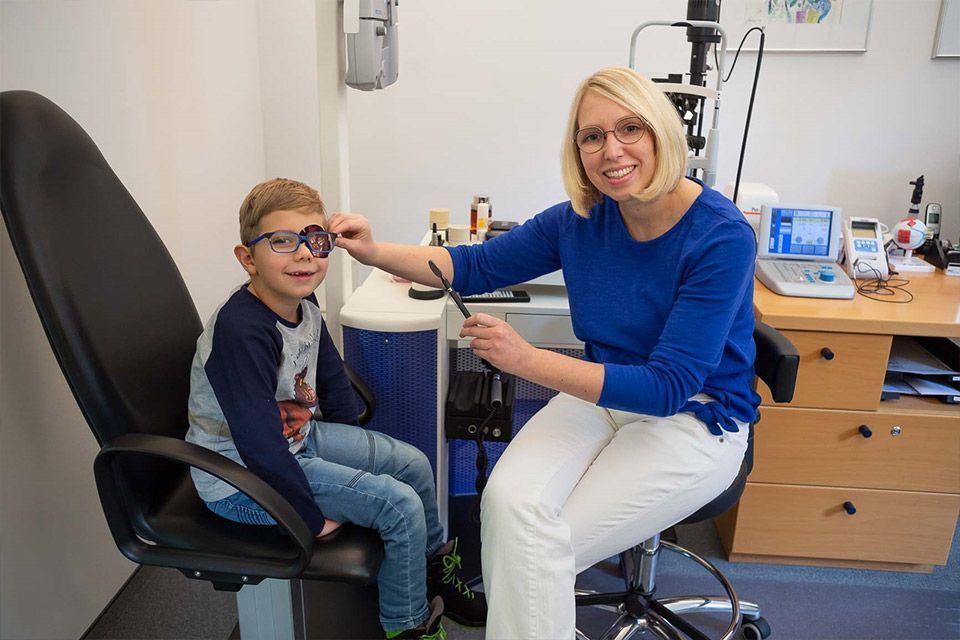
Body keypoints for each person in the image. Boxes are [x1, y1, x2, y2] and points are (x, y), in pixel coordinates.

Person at [329, 66, 760, 639]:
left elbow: (666, 387)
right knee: (506, 505)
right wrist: (373, 250)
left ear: (662, 132)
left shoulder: (721, 236)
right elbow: (473, 265)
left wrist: (526, 359)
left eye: (629, 129)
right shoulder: (581, 220)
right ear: (577, 149)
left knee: (536, 543)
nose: (612, 150)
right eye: (592, 136)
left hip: (695, 416)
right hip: (602, 395)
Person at [184, 178, 486, 640]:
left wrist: (356, 447)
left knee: (413, 463)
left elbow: (330, 375)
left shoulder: (302, 303)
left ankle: (432, 575)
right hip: (241, 476)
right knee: (399, 505)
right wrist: (306, 519)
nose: (305, 253)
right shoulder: (241, 332)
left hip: (293, 443)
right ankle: (407, 629)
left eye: (315, 240)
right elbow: (258, 445)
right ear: (248, 258)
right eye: (283, 241)